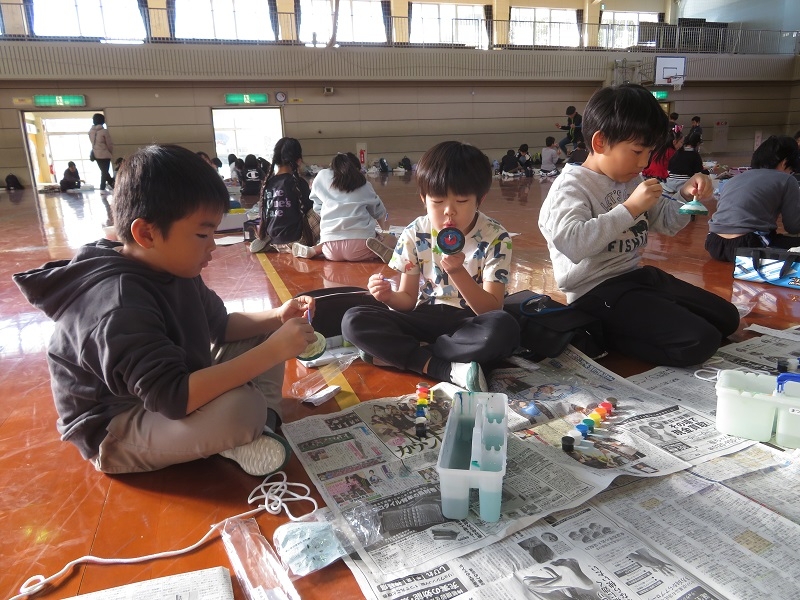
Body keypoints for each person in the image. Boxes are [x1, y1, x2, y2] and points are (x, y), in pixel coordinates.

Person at [12, 144, 317, 476]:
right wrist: (273, 352)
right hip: (120, 424)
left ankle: (258, 427)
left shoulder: (173, 265)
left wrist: (278, 317)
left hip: (169, 389)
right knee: (242, 407)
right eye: (202, 234)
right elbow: (173, 397)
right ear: (146, 233)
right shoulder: (117, 304)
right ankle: (244, 429)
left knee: (266, 335)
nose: (213, 246)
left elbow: (221, 326)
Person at [538, 83, 739, 367]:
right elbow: (573, 244)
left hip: (637, 277)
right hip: (595, 292)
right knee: (699, 341)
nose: (644, 162)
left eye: (649, 153)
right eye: (637, 151)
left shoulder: (632, 180)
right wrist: (630, 208)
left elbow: (667, 223)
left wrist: (684, 194)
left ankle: (641, 320)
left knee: (728, 318)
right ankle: (601, 331)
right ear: (600, 142)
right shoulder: (570, 188)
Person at [341, 141, 520, 392]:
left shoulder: (496, 237)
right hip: (426, 315)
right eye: (437, 201)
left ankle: (403, 354)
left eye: (461, 201)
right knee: (353, 320)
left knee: (504, 328)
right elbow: (407, 300)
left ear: (480, 200)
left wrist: (457, 272)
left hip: (470, 323)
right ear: (424, 199)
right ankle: (442, 368)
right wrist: (388, 296)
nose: (449, 212)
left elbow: (491, 308)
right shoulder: (415, 232)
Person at [705, 135, 800, 262]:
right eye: (791, 169)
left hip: (714, 243)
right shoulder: (787, 179)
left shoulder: (735, 178)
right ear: (784, 163)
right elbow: (793, 227)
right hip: (748, 245)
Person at [291, 151, 397, 263]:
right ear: (356, 169)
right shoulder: (363, 183)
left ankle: (313, 250)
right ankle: (379, 250)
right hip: (361, 245)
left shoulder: (322, 176)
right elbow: (378, 211)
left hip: (331, 249)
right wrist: (384, 229)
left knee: (329, 239)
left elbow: (316, 205)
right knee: (391, 239)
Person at [251, 137, 320, 254]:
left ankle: (268, 241)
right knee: (321, 209)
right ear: (298, 161)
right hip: (297, 239)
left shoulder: (267, 183)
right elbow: (310, 210)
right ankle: (296, 246)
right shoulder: (298, 183)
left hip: (273, 238)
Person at [88, 113, 114, 192]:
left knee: (104, 171)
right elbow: (109, 144)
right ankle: (102, 188)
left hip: (96, 154)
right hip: (105, 154)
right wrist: (110, 152)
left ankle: (113, 185)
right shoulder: (104, 132)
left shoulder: (90, 132)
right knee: (104, 172)